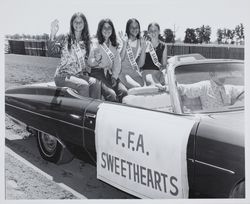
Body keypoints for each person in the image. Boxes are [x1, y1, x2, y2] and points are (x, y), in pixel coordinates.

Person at [47, 12, 101, 99]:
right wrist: (52, 34)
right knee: (84, 85)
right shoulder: (65, 37)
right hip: (62, 76)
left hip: (77, 75)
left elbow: (87, 62)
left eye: (81, 22)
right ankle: (83, 110)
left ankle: (94, 109)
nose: (78, 24)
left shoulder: (86, 42)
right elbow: (51, 52)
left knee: (95, 83)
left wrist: (97, 59)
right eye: (76, 22)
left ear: (84, 24)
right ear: (72, 23)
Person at [88, 18, 127, 102]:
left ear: (112, 30)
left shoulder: (114, 45)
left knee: (123, 92)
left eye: (109, 28)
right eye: (104, 28)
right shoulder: (95, 43)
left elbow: (117, 63)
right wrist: (96, 61)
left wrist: (114, 76)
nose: (107, 30)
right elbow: (89, 61)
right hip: (97, 73)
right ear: (100, 29)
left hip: (109, 74)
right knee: (111, 94)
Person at [178, 71, 244, 111]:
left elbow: (243, 90)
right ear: (212, 74)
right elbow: (184, 89)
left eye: (225, 73)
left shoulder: (228, 88)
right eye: (221, 73)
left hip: (228, 119)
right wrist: (170, 86)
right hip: (210, 120)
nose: (224, 76)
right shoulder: (205, 86)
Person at [138, 22, 168, 90]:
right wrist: (143, 49)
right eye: (151, 30)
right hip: (146, 73)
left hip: (158, 73)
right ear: (148, 32)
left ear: (159, 31)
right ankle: (157, 85)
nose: (153, 32)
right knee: (154, 83)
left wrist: (163, 71)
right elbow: (140, 65)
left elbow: (164, 65)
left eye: (155, 30)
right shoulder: (144, 44)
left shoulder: (163, 46)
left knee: (169, 85)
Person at [118, 18, 144, 89]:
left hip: (133, 71)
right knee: (137, 87)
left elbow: (141, 64)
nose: (134, 29)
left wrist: (144, 47)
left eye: (136, 27)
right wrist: (124, 43)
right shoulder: (122, 39)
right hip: (123, 72)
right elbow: (120, 58)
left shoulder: (140, 42)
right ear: (128, 28)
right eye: (132, 27)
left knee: (145, 86)